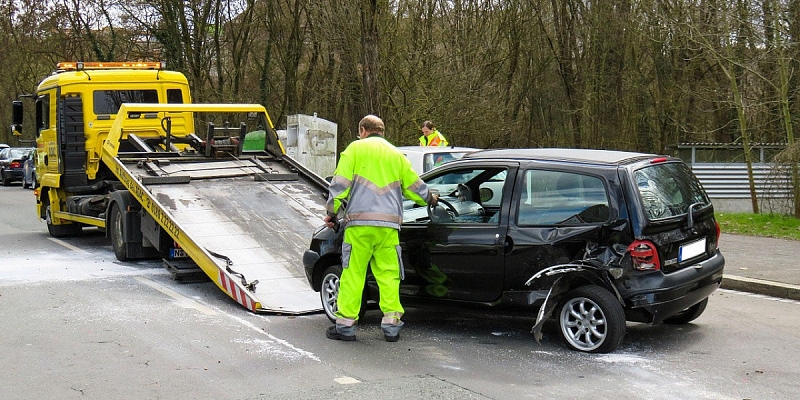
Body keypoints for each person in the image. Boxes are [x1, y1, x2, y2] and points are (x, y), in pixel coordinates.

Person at [324, 114, 438, 342]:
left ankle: (346, 326)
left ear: (363, 131)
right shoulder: (397, 155)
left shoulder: (354, 150)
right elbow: (415, 186)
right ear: (382, 132)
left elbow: (340, 185)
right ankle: (391, 326)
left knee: (354, 274)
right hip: (388, 227)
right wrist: (431, 198)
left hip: (359, 226)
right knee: (389, 275)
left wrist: (331, 212)